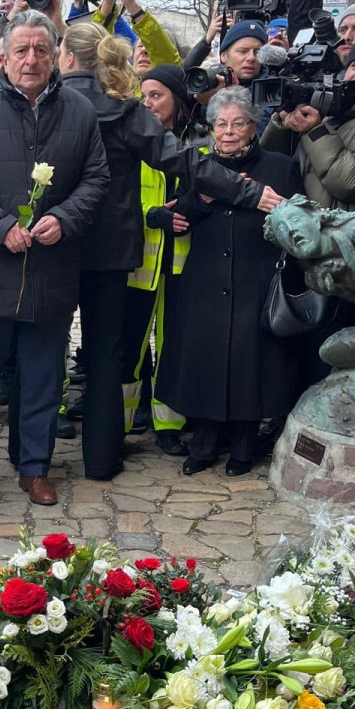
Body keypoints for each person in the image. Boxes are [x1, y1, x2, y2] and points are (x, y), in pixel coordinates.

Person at [58, 25, 280, 482]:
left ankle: (32, 462)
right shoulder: (121, 111)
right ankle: (101, 459)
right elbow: (184, 160)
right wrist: (246, 192)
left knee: (44, 353)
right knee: (106, 354)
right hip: (112, 252)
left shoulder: (41, 105)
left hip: (51, 244)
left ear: (64, 58)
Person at [0, 9, 109, 508]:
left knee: (42, 378)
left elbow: (96, 179)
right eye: (21, 50)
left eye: (41, 49)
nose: (31, 59)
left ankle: (33, 465)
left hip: (51, 270)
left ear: (56, 54)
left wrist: (65, 218)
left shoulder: (79, 111)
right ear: (4, 56)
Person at [155, 87, 304, 477]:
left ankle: (242, 448)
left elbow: (297, 220)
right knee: (206, 363)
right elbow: (176, 213)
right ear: (211, 129)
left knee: (248, 366)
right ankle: (203, 447)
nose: (228, 132)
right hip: (205, 279)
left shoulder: (279, 166)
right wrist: (202, 200)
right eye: (221, 124)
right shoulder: (196, 166)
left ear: (254, 127)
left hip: (256, 278)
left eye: (238, 123)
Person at [122, 65, 210, 452]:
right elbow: (115, 196)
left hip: (183, 263)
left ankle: (170, 425)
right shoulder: (130, 141)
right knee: (128, 348)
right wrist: (150, 213)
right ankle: (119, 425)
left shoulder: (201, 142)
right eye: (143, 96)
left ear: (177, 97)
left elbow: (213, 187)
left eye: (156, 95)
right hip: (139, 262)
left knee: (175, 344)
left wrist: (194, 207)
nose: (148, 103)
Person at [261, 34, 355, 211]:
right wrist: (281, 124)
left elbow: (349, 182)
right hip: (301, 225)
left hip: (345, 233)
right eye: (354, 66)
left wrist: (314, 130)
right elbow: (269, 164)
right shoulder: (329, 112)